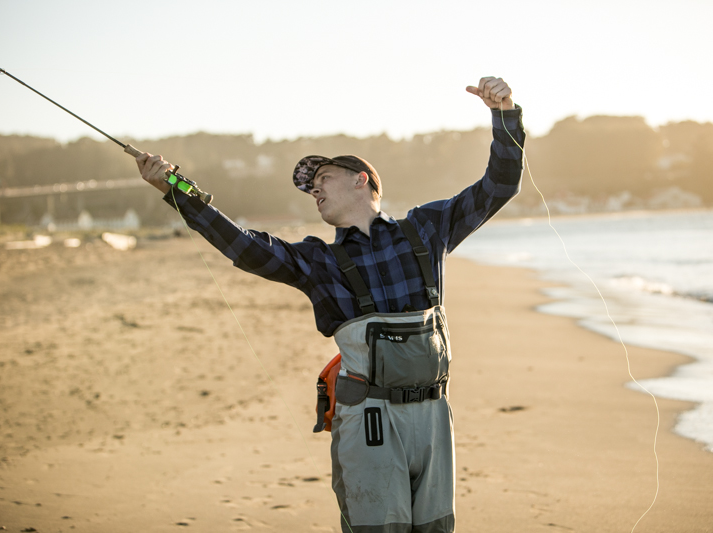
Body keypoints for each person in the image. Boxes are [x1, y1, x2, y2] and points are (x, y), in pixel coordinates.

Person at [136, 76, 525, 533]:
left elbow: (499, 185)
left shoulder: (426, 228)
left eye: (323, 179)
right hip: (369, 421)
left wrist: (504, 114)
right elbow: (244, 246)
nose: (314, 190)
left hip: (435, 417)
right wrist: (176, 190)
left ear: (362, 180)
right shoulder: (318, 260)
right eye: (311, 187)